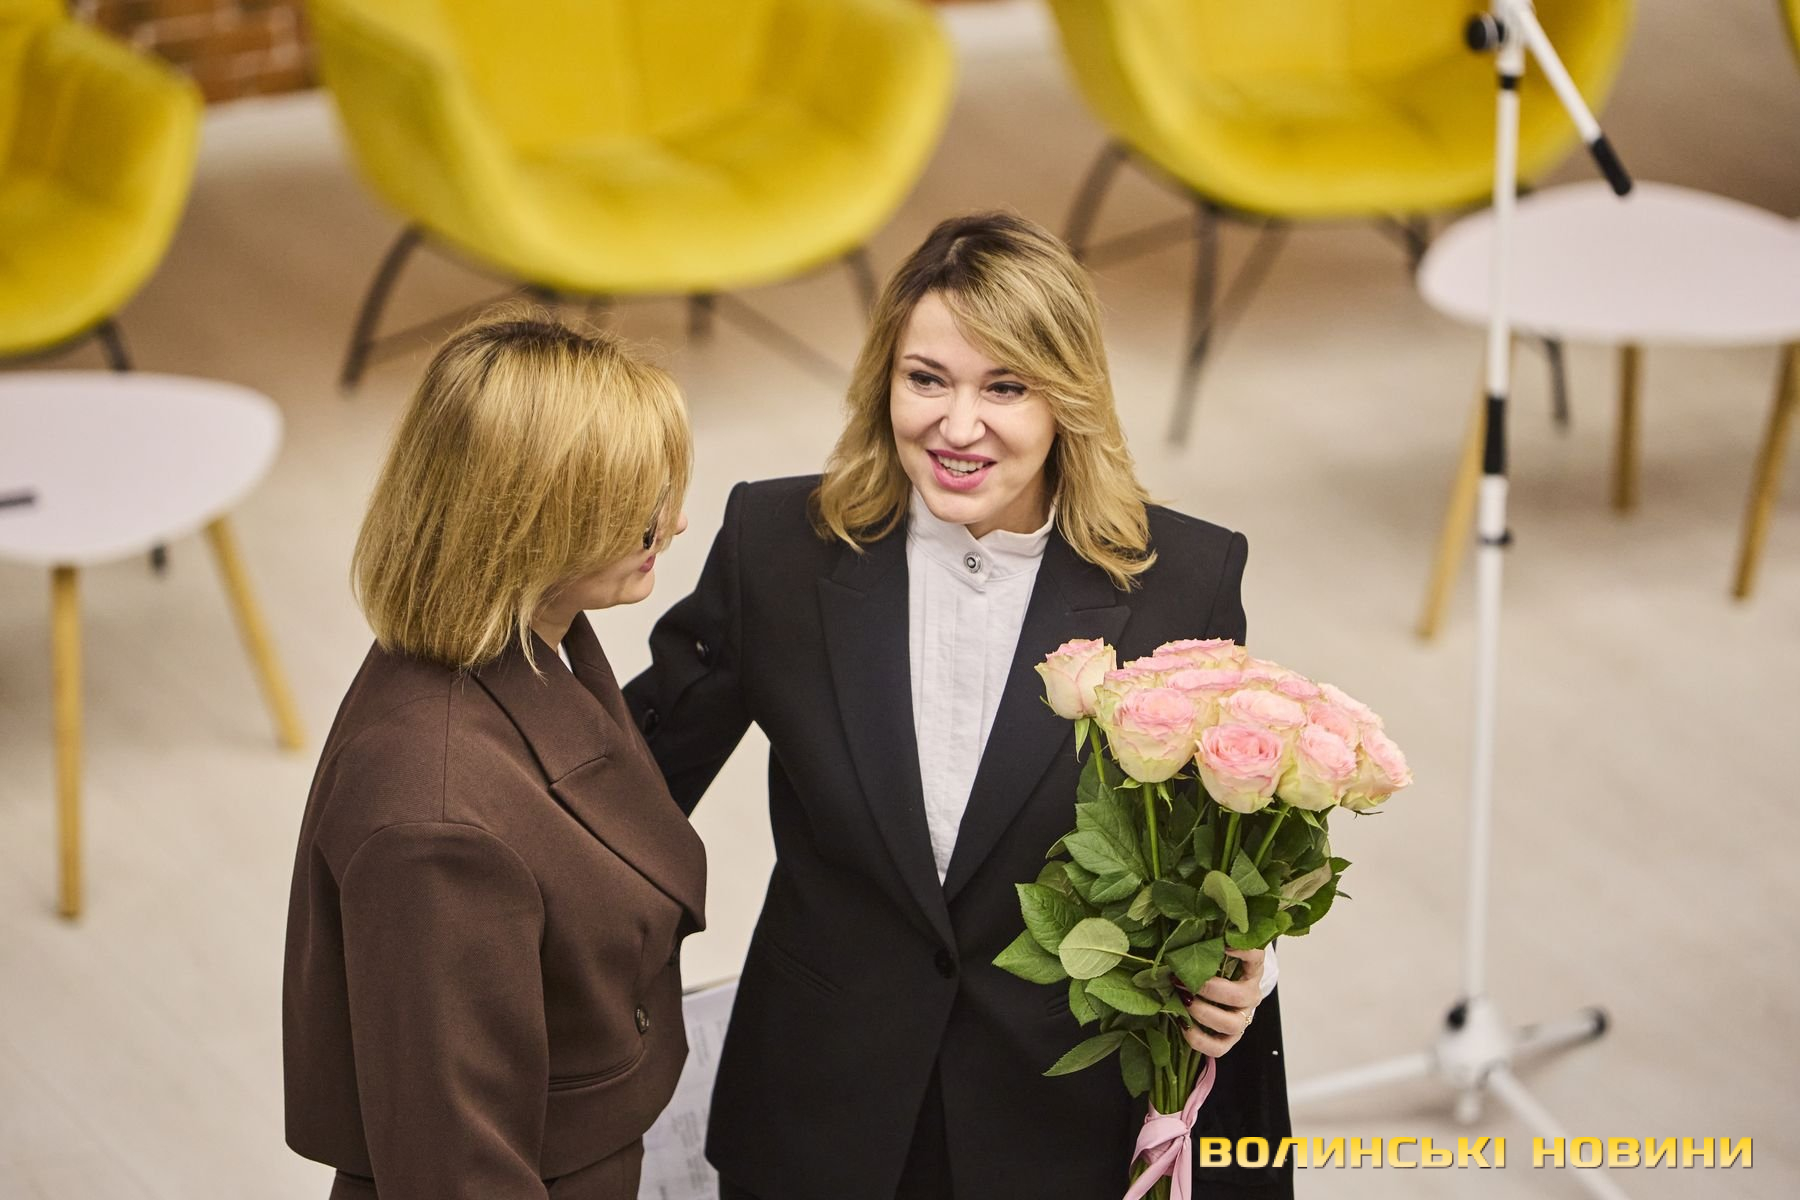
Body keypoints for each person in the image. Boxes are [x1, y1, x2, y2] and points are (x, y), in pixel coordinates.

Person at [625, 213, 1291, 1200]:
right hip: (815, 1110)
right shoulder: (777, 546)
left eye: (1005, 387)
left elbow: (1219, 852)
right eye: (926, 379)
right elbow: (630, 782)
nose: (958, 425)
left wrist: (1245, 967)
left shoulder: (1184, 580)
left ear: (1068, 396)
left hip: (1057, 1120)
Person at [282, 310, 705, 1200]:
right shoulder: (434, 820)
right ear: (531, 520)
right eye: (636, 505)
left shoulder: (536, 635)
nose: (671, 523)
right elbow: (456, 1168)